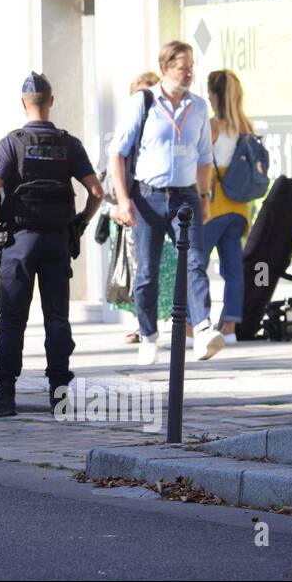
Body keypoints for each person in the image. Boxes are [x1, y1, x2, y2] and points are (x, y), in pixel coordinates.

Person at [0, 72, 103, 417]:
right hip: (56, 241)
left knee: (12, 318)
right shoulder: (69, 143)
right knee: (57, 318)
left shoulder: (12, 143)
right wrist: (80, 223)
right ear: (51, 101)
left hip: (19, 242)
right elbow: (96, 192)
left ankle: (4, 396)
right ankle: (60, 397)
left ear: (24, 103)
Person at [108, 41, 225, 365]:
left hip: (186, 195)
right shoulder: (143, 102)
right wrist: (122, 199)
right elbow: (117, 153)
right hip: (148, 197)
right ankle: (147, 335)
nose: (188, 73)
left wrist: (204, 196)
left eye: (191, 67)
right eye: (181, 67)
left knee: (195, 261)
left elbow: (204, 156)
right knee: (147, 271)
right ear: (165, 69)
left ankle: (202, 328)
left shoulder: (198, 107)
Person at [109, 72, 178, 342]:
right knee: (145, 270)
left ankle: (182, 321)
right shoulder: (128, 131)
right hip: (138, 207)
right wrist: (120, 202)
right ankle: (146, 327)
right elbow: (113, 167)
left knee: (175, 266)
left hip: (165, 202)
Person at [200, 69, 253, 344]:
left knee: (196, 264)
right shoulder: (246, 125)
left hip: (215, 204)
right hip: (240, 207)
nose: (207, 97)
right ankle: (230, 327)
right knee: (233, 268)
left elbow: (204, 164)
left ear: (215, 95)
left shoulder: (212, 126)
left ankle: (199, 324)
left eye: (209, 92)